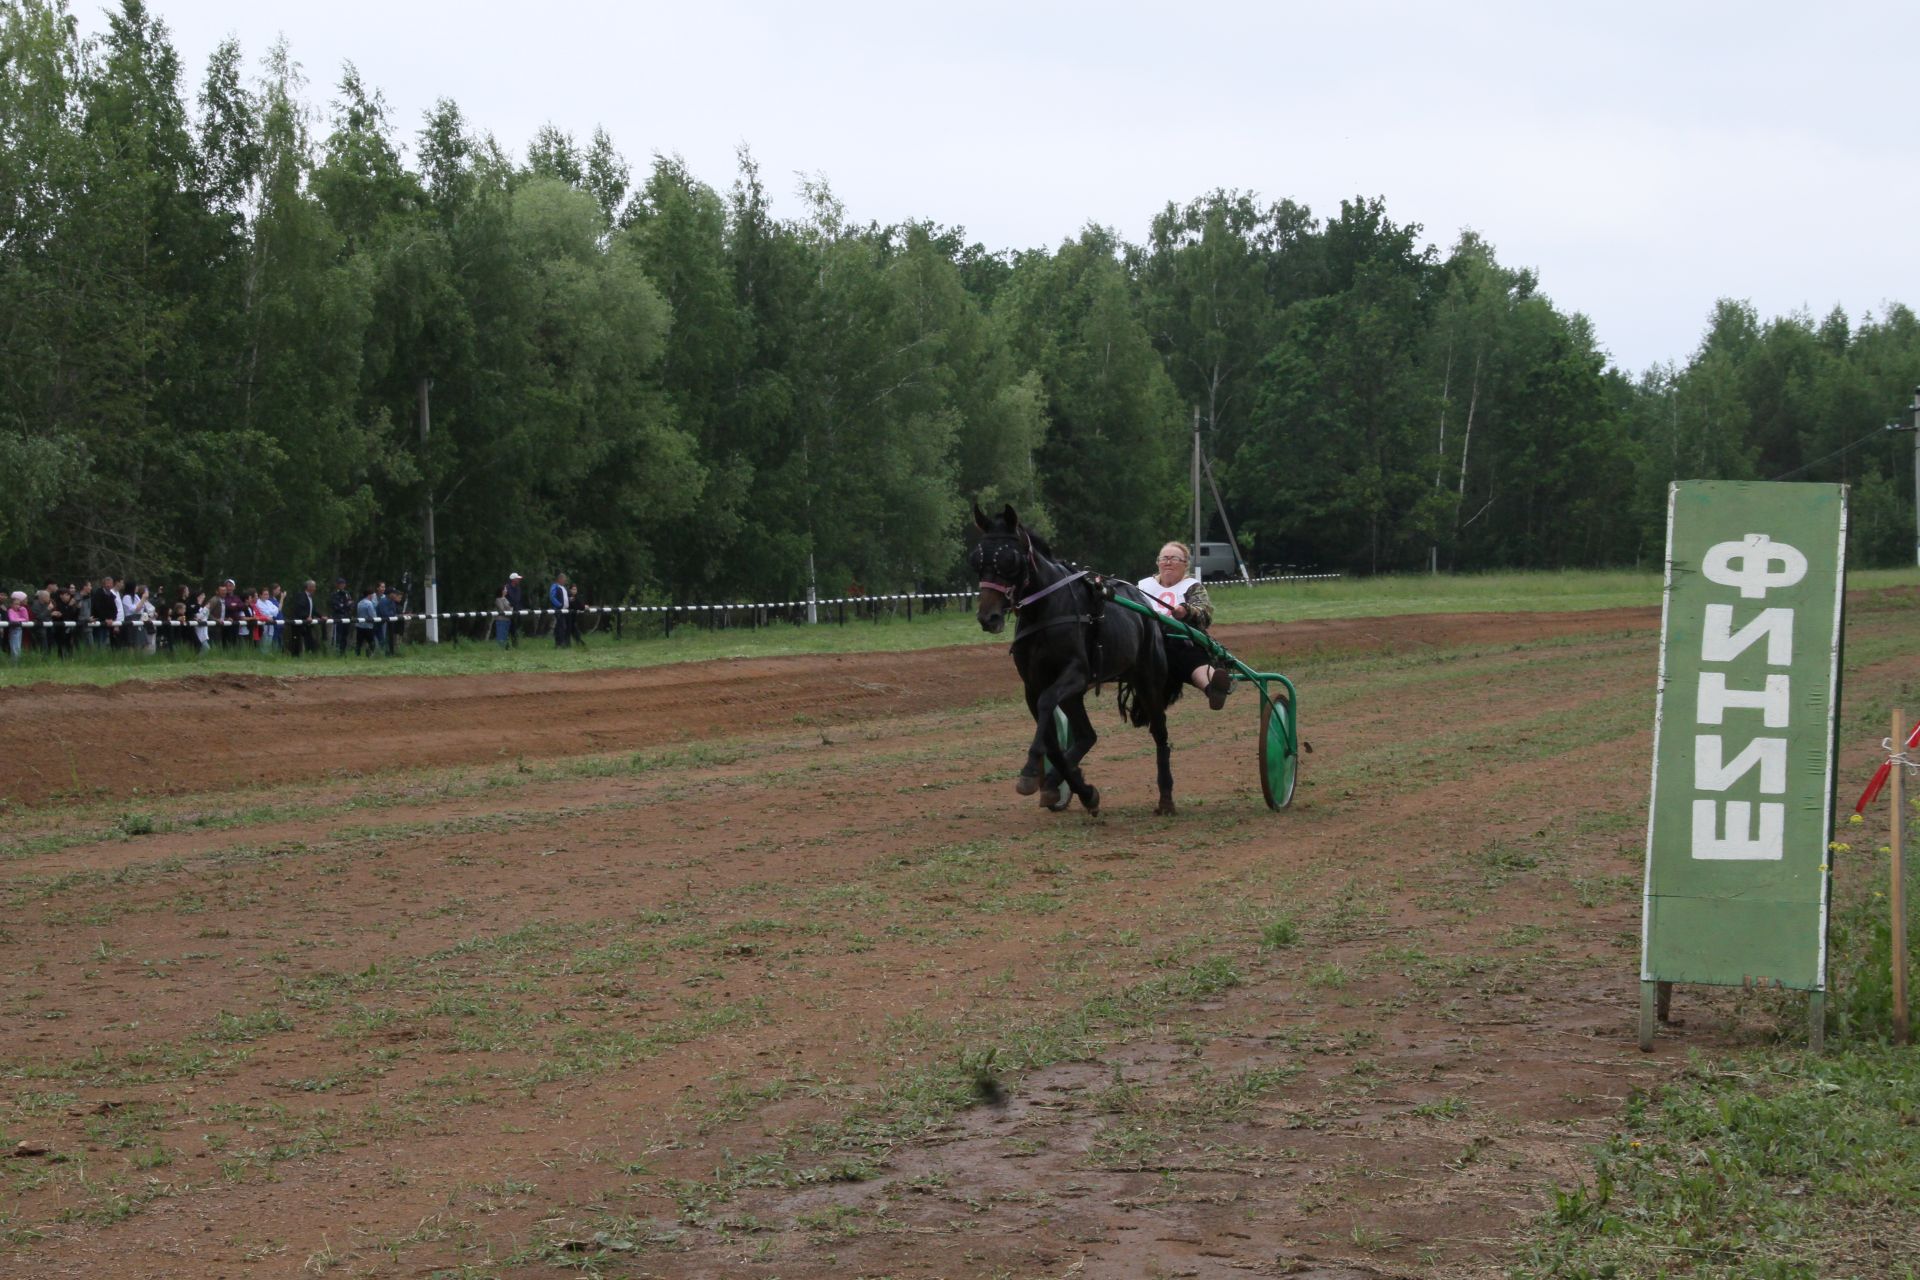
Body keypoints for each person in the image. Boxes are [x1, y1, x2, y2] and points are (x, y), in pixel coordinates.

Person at [1136, 541, 1232, 710]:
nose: (1168, 562)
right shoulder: (1142, 587)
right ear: (1158, 562)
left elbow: (1205, 614)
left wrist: (1186, 611)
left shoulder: (1193, 587)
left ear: (1185, 564)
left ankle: (1213, 688)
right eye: (1164, 558)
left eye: (1174, 558)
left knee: (1189, 654)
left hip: (1181, 642)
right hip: (1145, 644)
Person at [285, 580, 318, 656]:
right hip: (298, 622)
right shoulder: (301, 596)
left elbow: (313, 610)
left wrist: (321, 616)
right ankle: (294, 656)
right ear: (308, 587)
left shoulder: (310, 597)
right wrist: (307, 616)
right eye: (313, 587)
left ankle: (310, 654)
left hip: (307, 623)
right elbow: (299, 609)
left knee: (309, 639)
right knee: (296, 639)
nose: (315, 589)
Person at [330, 577, 353, 654]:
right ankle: (337, 651)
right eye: (340, 584)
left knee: (345, 635)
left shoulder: (347, 593)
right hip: (338, 617)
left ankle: (343, 652)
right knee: (338, 635)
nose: (342, 585)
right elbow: (336, 606)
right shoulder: (334, 594)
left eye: (343, 584)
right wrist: (345, 605)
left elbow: (350, 604)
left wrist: (344, 605)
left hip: (346, 617)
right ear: (337, 585)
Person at [354, 587, 379, 656]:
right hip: (368, 626)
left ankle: (357, 655)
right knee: (371, 642)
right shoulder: (369, 604)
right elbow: (373, 615)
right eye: (372, 595)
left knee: (359, 642)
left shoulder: (360, 603)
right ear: (369, 595)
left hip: (359, 625)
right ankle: (370, 654)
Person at [549, 572, 571, 648]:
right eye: (564, 579)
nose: (565, 581)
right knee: (561, 626)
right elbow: (552, 597)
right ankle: (560, 643)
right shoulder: (555, 586)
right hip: (559, 610)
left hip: (565, 610)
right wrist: (559, 605)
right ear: (559, 579)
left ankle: (562, 642)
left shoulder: (564, 588)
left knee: (562, 626)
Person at [504, 572, 524, 647]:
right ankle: (506, 644)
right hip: (508, 611)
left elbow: (519, 599)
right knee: (507, 628)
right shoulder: (506, 587)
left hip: (517, 611)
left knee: (515, 628)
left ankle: (515, 644)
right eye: (517, 579)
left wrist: (520, 609)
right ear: (513, 579)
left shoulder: (518, 588)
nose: (519, 580)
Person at [6, 591, 27, 660]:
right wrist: (20, 619)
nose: (17, 606)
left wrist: (23, 610)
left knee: (18, 646)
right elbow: (12, 619)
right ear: (11, 605)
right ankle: (14, 662)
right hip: (13, 630)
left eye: (18, 604)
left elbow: (26, 619)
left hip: (19, 629)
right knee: (14, 646)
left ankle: (18, 661)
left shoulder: (20, 611)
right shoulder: (10, 610)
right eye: (15, 604)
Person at [494, 583, 514, 648]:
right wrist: (510, 609)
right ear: (502, 591)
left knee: (505, 635)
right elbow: (502, 609)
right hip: (501, 620)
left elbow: (510, 608)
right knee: (501, 635)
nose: (506, 590)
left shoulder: (506, 599)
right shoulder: (498, 600)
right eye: (505, 589)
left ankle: (505, 647)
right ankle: (500, 647)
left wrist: (510, 609)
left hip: (507, 620)